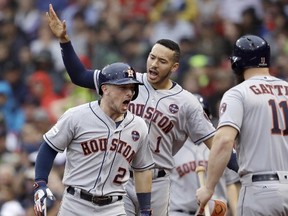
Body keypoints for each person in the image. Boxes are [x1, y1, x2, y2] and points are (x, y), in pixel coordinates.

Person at [46, 4, 238, 215]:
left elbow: (218, 145)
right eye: (152, 57)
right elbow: (79, 76)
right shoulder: (127, 81)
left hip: (158, 181)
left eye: (162, 61)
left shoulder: (187, 102)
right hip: (122, 178)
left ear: (174, 68)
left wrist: (244, 170)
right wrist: (64, 41)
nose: (154, 64)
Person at [33, 62, 154, 216]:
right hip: (75, 204)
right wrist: (40, 183)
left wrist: (145, 209)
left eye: (132, 88)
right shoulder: (77, 116)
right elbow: (49, 147)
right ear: (105, 89)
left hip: (114, 207)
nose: (129, 93)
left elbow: (143, 170)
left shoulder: (138, 126)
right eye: (123, 87)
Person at [196, 34, 288, 215]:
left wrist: (208, 188)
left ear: (236, 64)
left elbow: (223, 142)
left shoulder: (238, 93)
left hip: (260, 190)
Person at [169, 94, 240, 216]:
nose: (196, 120)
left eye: (202, 115)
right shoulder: (173, 146)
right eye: (191, 116)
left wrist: (236, 212)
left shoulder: (219, 146)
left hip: (217, 211)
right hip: (180, 212)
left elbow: (231, 184)